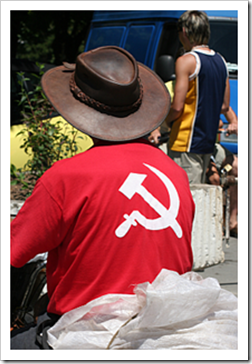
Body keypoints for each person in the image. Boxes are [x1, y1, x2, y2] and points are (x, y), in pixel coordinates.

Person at [11, 46, 195, 349]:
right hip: (166, 327)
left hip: (87, 332)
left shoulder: (66, 177)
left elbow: (14, 251)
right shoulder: (173, 173)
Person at [149, 11, 230, 184]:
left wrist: (165, 124)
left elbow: (178, 106)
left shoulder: (186, 60)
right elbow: (224, 106)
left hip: (185, 141)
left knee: (187, 195)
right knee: (201, 194)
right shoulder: (221, 61)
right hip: (207, 141)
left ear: (184, 32)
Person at [206, 107, 238, 236]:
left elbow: (226, 108)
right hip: (197, 144)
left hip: (213, 146)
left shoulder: (217, 90)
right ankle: (213, 223)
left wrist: (234, 123)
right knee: (214, 179)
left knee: (237, 166)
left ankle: (232, 221)